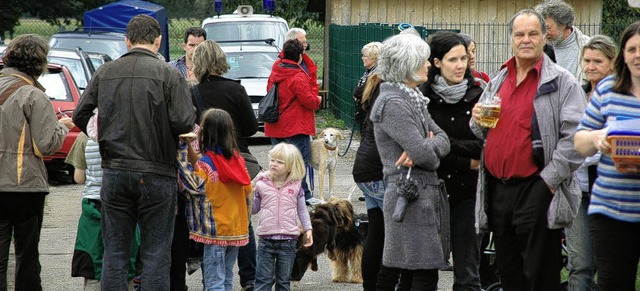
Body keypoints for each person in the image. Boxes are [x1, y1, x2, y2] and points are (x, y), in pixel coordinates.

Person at [72, 14, 196, 290]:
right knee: (155, 253)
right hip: (158, 171)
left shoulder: (105, 72)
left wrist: (101, 137)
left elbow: (80, 113)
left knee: (115, 252)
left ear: (127, 41)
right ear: (158, 40)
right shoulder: (170, 74)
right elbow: (185, 122)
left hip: (114, 170)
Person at [470, 9, 586, 291]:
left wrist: (547, 181)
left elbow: (576, 138)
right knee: (508, 271)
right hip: (498, 188)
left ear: (545, 37)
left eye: (533, 33)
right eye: (519, 34)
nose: (526, 39)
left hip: (537, 188)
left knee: (539, 273)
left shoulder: (561, 82)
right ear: (511, 38)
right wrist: (475, 120)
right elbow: (480, 131)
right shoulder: (500, 79)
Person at [370, 33, 451, 290]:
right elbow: (429, 156)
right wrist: (427, 149)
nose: (429, 65)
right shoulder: (393, 102)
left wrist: (426, 146)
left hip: (420, 194)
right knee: (419, 270)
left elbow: (443, 140)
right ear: (408, 64)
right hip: (409, 195)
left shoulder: (413, 97)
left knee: (411, 268)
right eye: (423, 60)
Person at [0, 34, 74, 291]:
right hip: (24, 185)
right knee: (27, 256)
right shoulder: (33, 95)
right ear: (40, 63)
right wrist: (62, 127)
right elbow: (48, 144)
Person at [573, 21, 640, 291]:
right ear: (622, 54)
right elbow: (580, 142)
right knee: (614, 284)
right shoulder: (608, 89)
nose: (638, 55)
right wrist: (597, 138)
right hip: (611, 209)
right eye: (632, 49)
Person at [191, 39, 260, 291]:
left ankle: (211, 278)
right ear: (222, 61)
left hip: (206, 162)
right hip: (237, 158)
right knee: (243, 219)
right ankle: (249, 278)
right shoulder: (236, 90)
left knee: (210, 215)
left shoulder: (193, 93)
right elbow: (252, 129)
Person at [420, 31, 484, 291]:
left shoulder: (480, 96)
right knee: (423, 272)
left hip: (468, 193)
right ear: (436, 62)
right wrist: (465, 160)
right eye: (452, 60)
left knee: (468, 271)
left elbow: (485, 147)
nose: (460, 65)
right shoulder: (423, 99)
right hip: (430, 191)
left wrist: (444, 143)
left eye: (463, 59)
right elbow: (425, 151)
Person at [177, 108, 252, 291]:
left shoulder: (207, 166)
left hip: (215, 231)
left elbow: (194, 184)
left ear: (205, 133)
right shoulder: (237, 160)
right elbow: (247, 191)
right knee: (226, 278)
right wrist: (189, 147)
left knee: (214, 282)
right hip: (236, 230)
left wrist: (180, 153)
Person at [65, 112, 140, 290]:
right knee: (125, 256)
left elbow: (79, 178)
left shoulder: (84, 137)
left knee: (94, 257)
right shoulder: (128, 137)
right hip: (123, 203)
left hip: (93, 204)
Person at [565, 35, 616, 291]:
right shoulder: (577, 93)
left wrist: (581, 149)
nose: (590, 67)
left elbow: (611, 145)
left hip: (607, 191)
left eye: (598, 61)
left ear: (612, 64)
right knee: (580, 262)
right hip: (577, 190)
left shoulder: (620, 97)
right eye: (586, 61)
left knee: (607, 263)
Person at [265, 39, 323, 206]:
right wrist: (317, 99)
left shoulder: (276, 70)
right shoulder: (298, 76)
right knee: (299, 164)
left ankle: (279, 193)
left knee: (278, 162)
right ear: (299, 56)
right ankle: (301, 195)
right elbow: (309, 101)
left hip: (277, 125)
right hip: (296, 126)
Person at [252, 143, 313, 291]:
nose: (274, 164)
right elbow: (253, 210)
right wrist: (248, 196)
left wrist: (308, 229)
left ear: (291, 166)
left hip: (288, 241)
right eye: (272, 160)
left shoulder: (296, 185)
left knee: (284, 282)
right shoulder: (261, 184)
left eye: (280, 162)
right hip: (266, 240)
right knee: (262, 281)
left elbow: (302, 210)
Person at [535, 0, 590, 80]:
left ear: (563, 24)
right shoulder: (537, 48)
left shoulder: (588, 46)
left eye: (547, 28)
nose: (544, 33)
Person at [353, 42, 382, 128]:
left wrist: (357, 94)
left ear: (373, 58)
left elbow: (359, 92)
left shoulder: (377, 74)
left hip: (370, 115)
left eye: (364, 56)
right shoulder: (368, 72)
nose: (362, 58)